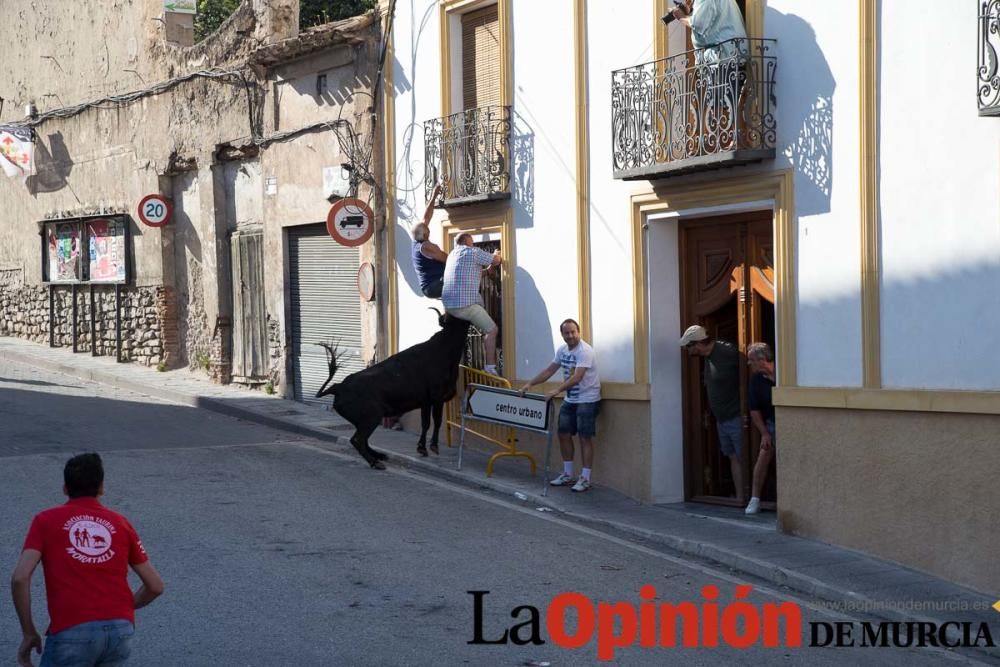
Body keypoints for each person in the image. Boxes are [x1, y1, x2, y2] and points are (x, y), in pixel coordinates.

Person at [11, 453, 164, 667]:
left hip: (72, 629)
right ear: (101, 488)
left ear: (65, 488)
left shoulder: (45, 521)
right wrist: (122, 608)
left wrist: (29, 632)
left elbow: (20, 578)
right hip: (120, 629)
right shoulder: (121, 523)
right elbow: (155, 586)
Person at [519, 319, 601, 493]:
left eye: (573, 332)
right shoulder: (562, 350)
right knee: (563, 434)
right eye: (567, 333)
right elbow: (549, 370)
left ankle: (585, 478)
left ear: (579, 332)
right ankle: (568, 474)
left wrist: (556, 391)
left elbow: (577, 377)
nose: (570, 336)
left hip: (587, 399)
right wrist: (530, 384)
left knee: (584, 437)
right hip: (570, 400)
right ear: (562, 335)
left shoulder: (585, 351)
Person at [680, 324, 744, 504]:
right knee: (733, 456)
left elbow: (746, 371)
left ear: (699, 344)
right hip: (721, 419)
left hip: (736, 416)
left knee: (743, 456)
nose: (688, 350)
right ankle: (740, 498)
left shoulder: (728, 353)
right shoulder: (707, 357)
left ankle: (752, 497)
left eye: (689, 346)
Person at [442, 232, 501, 375]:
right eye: (472, 241)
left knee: (458, 335)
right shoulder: (473, 252)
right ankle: (490, 368)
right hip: (466, 305)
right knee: (492, 330)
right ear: (467, 241)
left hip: (449, 306)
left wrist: (487, 272)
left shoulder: (452, 255)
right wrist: (496, 253)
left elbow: (471, 273)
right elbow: (496, 261)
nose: (474, 244)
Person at [745, 342, 776, 515]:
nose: (749, 364)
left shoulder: (783, 372)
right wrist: (764, 433)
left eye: (751, 360)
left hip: (787, 420)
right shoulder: (756, 380)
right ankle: (755, 499)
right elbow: (754, 409)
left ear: (762, 359)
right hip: (771, 422)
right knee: (764, 453)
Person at [410, 184, 448, 298]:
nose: (429, 230)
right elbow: (447, 259)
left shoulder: (417, 239)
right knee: (460, 276)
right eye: (428, 230)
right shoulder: (426, 246)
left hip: (429, 286)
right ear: (426, 234)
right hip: (433, 286)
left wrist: (434, 195)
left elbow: (426, 217)